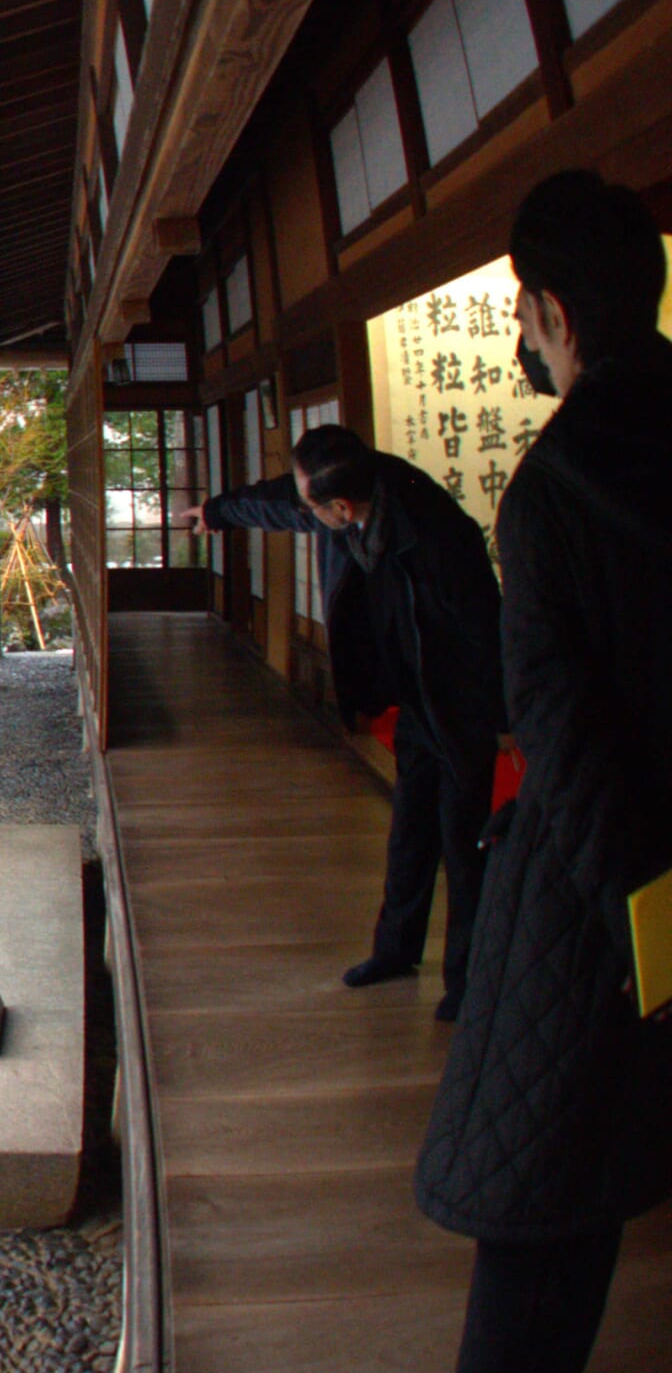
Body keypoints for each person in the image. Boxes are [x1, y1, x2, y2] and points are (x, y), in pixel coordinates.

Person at [370, 169, 672, 1373]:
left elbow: (558, 728)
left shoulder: (551, 492)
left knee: (530, 1198)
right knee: (601, 1179)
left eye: (523, 317)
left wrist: (641, 922)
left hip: (597, 896)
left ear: (551, 313)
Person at [178, 423, 504, 1016]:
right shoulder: (351, 490)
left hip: (460, 705)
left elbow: (485, 632)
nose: (304, 507)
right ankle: (395, 950)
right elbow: (282, 498)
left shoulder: (436, 534)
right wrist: (219, 511)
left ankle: (468, 982)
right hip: (414, 697)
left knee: (463, 847)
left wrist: (502, 717)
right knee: (409, 834)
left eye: (313, 505)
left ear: (341, 507)